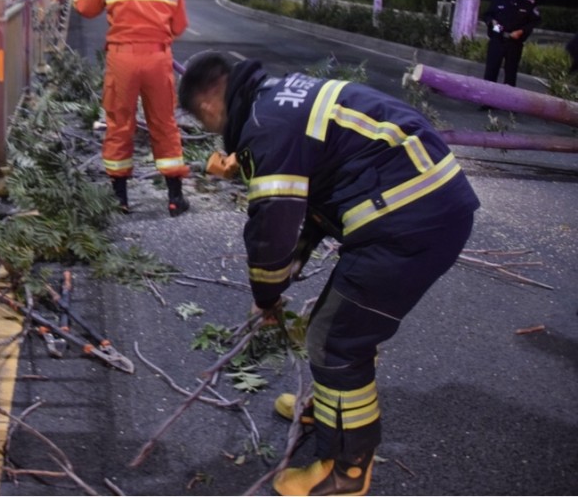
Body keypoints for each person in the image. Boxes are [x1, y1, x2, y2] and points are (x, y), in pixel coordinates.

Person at [177, 52, 480, 496]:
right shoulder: (280, 98)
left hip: (411, 220)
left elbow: (271, 230)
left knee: (335, 341)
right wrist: (285, 274)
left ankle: (346, 471)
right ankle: (331, 409)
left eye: (204, 124)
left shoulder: (267, 130)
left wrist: (266, 294)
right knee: (338, 325)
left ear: (206, 106)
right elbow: (316, 203)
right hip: (420, 202)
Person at [73, 0, 190, 216]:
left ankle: (120, 199)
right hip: (156, 58)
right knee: (164, 124)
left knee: (119, 124)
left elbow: (86, 9)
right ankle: (175, 197)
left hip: (121, 60)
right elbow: (178, 27)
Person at [480, 0, 541, 89]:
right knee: (491, 70)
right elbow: (487, 15)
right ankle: (486, 102)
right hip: (497, 39)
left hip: (514, 42)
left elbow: (534, 21)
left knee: (510, 73)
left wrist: (521, 31)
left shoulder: (528, 2)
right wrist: (492, 22)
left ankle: (508, 102)